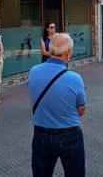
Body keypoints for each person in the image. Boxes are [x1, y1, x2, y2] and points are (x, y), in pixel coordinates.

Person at [28, 33, 86, 177]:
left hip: (41, 135)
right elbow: (82, 110)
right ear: (69, 53)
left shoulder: (33, 71)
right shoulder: (75, 78)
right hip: (69, 135)